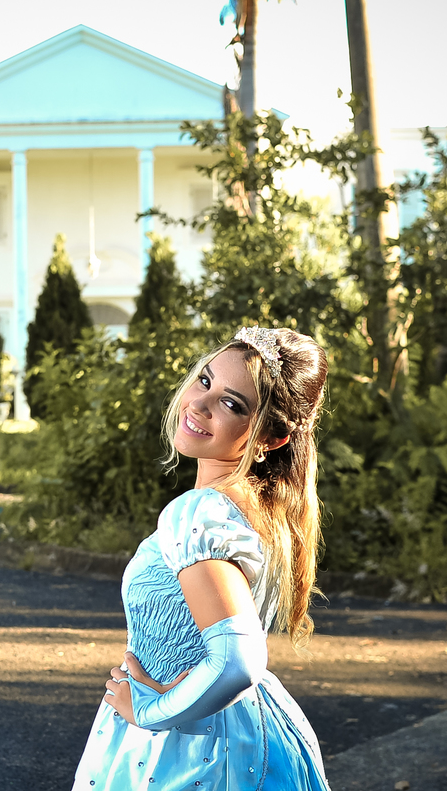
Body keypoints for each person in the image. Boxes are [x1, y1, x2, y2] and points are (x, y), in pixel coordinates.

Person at [71, 326, 330, 790]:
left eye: (232, 404)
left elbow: (238, 661)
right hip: (239, 730)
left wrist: (151, 712)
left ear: (271, 438)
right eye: (205, 381)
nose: (199, 404)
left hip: (187, 750)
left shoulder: (201, 513)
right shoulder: (264, 507)